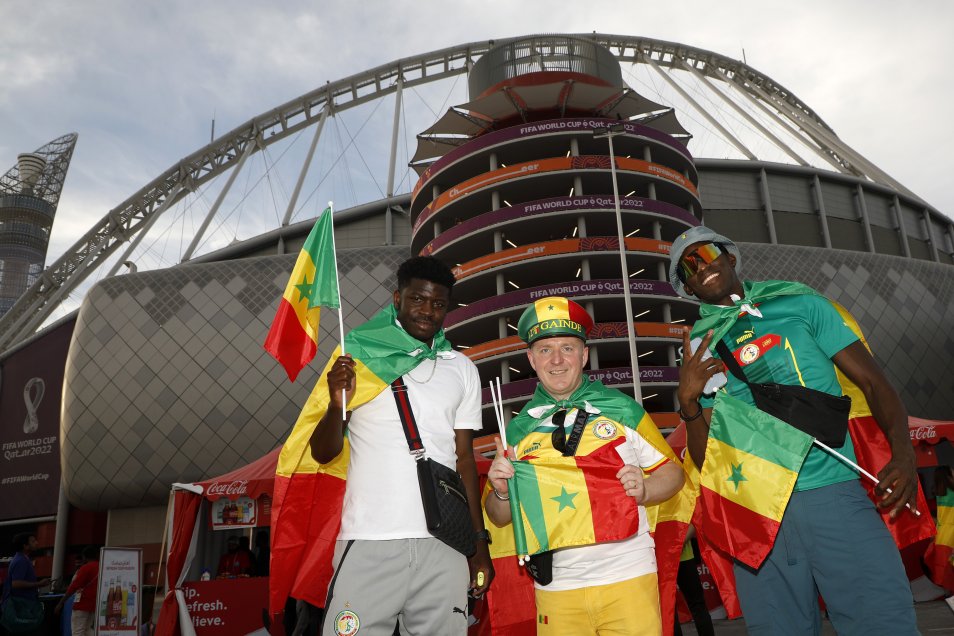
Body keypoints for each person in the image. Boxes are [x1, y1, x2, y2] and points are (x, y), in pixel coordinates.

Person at [671, 225, 919, 634]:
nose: (699, 269)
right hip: (760, 512)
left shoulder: (799, 302)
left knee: (884, 623)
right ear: (689, 290)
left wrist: (904, 453)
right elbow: (708, 459)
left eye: (705, 254)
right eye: (687, 269)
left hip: (834, 492)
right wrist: (689, 404)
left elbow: (875, 383)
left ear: (729, 256)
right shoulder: (702, 344)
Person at [310, 256, 493, 636]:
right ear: (397, 298)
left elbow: (464, 462)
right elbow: (322, 452)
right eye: (418, 300)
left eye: (438, 304)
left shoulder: (461, 368)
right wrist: (335, 403)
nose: (428, 311)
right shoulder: (358, 355)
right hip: (370, 539)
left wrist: (478, 544)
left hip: (445, 543)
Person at [485, 296, 684, 635]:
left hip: (628, 575)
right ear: (531, 359)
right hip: (556, 588)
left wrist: (647, 488)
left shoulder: (623, 410)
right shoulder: (517, 429)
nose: (557, 359)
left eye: (567, 347)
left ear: (585, 354)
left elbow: (674, 473)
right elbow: (499, 516)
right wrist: (502, 492)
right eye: (545, 350)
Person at [0, 533, 49, 635]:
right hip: (22, 606)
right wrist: (39, 584)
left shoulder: (23, 559)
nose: (37, 543)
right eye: (33, 541)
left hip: (25, 604)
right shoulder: (20, 561)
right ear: (25, 545)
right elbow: (16, 583)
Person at [54, 545, 99, 636]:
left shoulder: (85, 568)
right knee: (88, 630)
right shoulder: (102, 567)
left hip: (82, 604)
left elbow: (73, 587)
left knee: (78, 631)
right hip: (95, 605)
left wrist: (61, 602)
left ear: (84, 557)